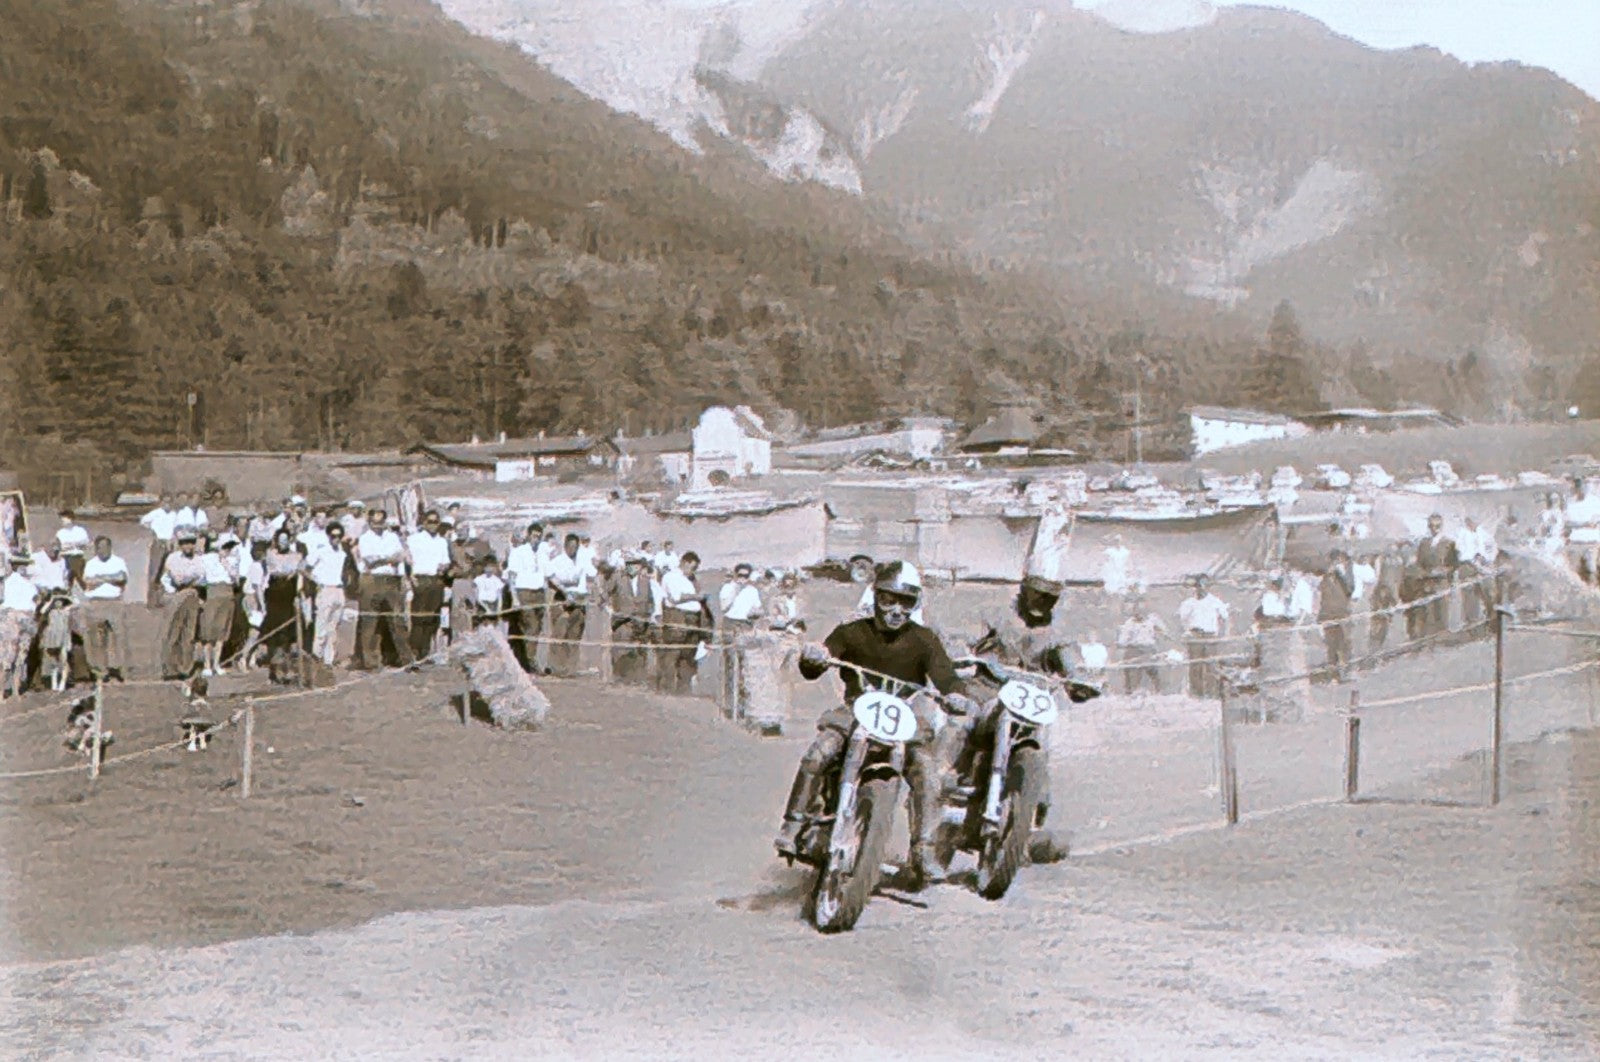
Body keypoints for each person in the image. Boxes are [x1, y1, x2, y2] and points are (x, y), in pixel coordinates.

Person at [774, 560, 976, 891]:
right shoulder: (852, 631)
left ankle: (924, 851)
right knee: (819, 752)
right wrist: (814, 654)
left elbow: (945, 676)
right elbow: (819, 662)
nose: (896, 610)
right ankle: (793, 825)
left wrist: (956, 695)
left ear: (915, 605)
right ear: (876, 596)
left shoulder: (924, 640)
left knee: (927, 771)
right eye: (888, 600)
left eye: (905, 602)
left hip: (904, 719)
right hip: (855, 710)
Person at [353, 509, 414, 669]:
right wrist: (389, 558)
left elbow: (401, 556)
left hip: (392, 579)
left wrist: (390, 561)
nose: (377, 526)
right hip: (372, 579)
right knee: (370, 622)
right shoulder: (365, 538)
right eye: (374, 523)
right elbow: (371, 560)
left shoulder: (392, 537)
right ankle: (370, 662)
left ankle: (405, 659)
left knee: (397, 621)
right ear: (370, 522)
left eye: (380, 523)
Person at [656, 550, 709, 695]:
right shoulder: (671, 576)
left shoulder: (691, 580)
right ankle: (668, 689)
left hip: (693, 619)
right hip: (677, 616)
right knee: (673, 653)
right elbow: (676, 597)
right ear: (685, 563)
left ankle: (684, 689)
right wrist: (696, 596)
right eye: (692, 567)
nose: (693, 571)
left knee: (689, 654)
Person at [158, 530, 207, 679]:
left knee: (189, 633)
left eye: (191, 542)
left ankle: (185, 667)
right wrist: (191, 579)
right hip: (175, 595)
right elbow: (179, 579)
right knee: (173, 632)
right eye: (185, 543)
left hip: (192, 595)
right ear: (180, 544)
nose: (189, 546)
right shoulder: (173, 558)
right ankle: (169, 667)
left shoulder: (198, 559)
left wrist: (191, 580)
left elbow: (202, 578)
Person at [80, 536, 129, 681]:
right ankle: (99, 671)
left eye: (106, 547)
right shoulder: (91, 564)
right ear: (96, 549)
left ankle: (118, 668)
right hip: (96, 603)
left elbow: (122, 577)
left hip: (114, 602)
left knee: (118, 637)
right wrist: (109, 578)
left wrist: (101, 578)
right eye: (100, 547)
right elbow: (89, 581)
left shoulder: (118, 561)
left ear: (110, 547)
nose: (103, 550)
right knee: (96, 638)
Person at [405, 509, 451, 660]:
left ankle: (425, 653)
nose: (433, 525)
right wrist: (411, 579)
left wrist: (444, 567)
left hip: (436, 580)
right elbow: (407, 560)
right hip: (421, 579)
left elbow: (446, 561)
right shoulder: (414, 539)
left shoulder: (442, 541)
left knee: (433, 619)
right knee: (419, 618)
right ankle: (414, 654)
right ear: (424, 523)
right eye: (430, 522)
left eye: (435, 522)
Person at [544, 532, 592, 677]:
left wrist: (581, 595)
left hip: (578, 601)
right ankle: (556, 666)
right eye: (570, 547)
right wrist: (565, 592)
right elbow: (551, 579)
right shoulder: (558, 561)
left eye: (576, 547)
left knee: (574, 635)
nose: (573, 550)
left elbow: (585, 580)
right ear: (565, 546)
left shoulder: (582, 562)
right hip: (562, 600)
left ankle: (571, 667)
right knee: (560, 633)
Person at [1177, 575, 1231, 698]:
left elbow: (1225, 617)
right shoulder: (1188, 603)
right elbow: (1183, 619)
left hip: (1210, 635)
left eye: (1203, 586)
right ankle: (1197, 693)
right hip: (1195, 635)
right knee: (1195, 666)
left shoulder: (1214, 601)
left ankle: (1212, 693)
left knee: (1211, 665)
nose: (1200, 589)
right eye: (1198, 586)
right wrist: (1188, 632)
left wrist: (1225, 634)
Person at [505, 522, 548, 673]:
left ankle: (527, 660)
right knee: (531, 626)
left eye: (539, 537)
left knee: (536, 628)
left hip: (539, 593)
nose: (537, 539)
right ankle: (530, 662)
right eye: (534, 536)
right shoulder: (519, 552)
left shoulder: (542, 553)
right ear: (529, 536)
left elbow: (547, 574)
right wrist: (515, 598)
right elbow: (512, 576)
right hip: (524, 593)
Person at [307, 522, 352, 666]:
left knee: (333, 628)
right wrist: (316, 581)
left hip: (339, 590)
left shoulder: (342, 553)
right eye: (333, 536)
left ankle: (328, 660)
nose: (336, 539)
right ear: (328, 536)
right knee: (321, 627)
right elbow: (305, 567)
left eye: (339, 536)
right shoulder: (321, 550)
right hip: (325, 589)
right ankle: (316, 656)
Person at [609, 552, 655, 684]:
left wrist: (648, 615)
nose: (632, 567)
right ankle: (620, 677)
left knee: (640, 652)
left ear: (640, 566)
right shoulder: (618, 578)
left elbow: (651, 600)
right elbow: (605, 594)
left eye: (635, 564)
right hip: (622, 621)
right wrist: (612, 609)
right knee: (622, 650)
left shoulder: (646, 581)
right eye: (629, 564)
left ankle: (638, 678)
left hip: (641, 621)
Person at [197, 538, 240, 677]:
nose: (228, 550)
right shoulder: (207, 559)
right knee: (209, 631)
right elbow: (200, 577)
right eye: (225, 547)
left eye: (229, 548)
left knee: (222, 632)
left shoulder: (232, 560)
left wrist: (226, 563)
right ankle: (207, 665)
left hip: (227, 593)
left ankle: (216, 664)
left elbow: (235, 579)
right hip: (213, 592)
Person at [0, 554, 40, 698]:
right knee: (7, 658)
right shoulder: (7, 580)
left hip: (26, 617)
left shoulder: (31, 584)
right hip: (11, 617)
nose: (23, 567)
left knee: (20, 658)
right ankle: (2, 692)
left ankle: (16, 691)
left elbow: (36, 600)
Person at [1415, 514, 1458, 637]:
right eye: (1431, 526)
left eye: (1437, 526)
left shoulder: (1449, 543)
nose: (1434, 529)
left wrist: (1443, 571)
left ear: (1442, 526)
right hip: (1427, 584)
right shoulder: (1423, 543)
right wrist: (1424, 574)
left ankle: (1442, 639)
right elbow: (1419, 564)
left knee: (1442, 612)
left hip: (1442, 583)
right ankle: (1429, 641)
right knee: (1428, 614)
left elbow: (1454, 564)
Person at [1116, 596, 1168, 695]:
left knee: (1153, 665)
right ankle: (1131, 690)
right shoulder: (1129, 623)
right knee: (1129, 659)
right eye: (1137, 610)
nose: (1139, 612)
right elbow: (1122, 641)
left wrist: (1159, 632)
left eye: (1142, 609)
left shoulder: (1152, 619)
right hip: (1134, 649)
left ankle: (1158, 690)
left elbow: (1164, 631)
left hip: (1149, 649)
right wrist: (1130, 639)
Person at [1318, 549, 1356, 681]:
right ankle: (1334, 675)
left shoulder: (1341, 578)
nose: (1336, 565)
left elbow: (1350, 590)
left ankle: (1345, 672)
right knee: (1332, 647)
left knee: (1344, 644)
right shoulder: (1322, 580)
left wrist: (1348, 570)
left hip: (1342, 615)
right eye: (1335, 562)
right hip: (1328, 616)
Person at [140, 494, 179, 604]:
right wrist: (153, 531)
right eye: (165, 502)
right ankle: (151, 599)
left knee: (165, 572)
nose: (167, 505)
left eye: (169, 502)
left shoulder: (174, 515)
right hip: (159, 542)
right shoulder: (156, 513)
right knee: (154, 571)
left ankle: (161, 598)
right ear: (161, 503)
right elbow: (143, 521)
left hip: (169, 543)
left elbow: (176, 529)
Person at [1565, 478, 1600, 585]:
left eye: (1584, 486)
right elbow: (1567, 523)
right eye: (1579, 487)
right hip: (1575, 541)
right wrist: (1583, 524)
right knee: (1573, 573)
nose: (1582, 489)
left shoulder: (1595, 502)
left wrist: (1593, 522)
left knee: (1591, 570)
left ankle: (1593, 596)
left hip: (1591, 541)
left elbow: (1596, 520)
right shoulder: (1570, 503)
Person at [54, 510, 91, 587]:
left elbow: (85, 544)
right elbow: (61, 547)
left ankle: (81, 586)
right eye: (61, 519)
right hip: (65, 557)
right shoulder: (60, 533)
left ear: (70, 519)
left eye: (64, 519)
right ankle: (74, 586)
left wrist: (71, 544)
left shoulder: (80, 531)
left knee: (75, 569)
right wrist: (76, 544)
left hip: (77, 557)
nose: (62, 521)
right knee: (68, 573)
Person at [472, 556, 509, 633]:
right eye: (487, 567)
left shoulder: (497, 581)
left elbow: (500, 596)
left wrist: (499, 608)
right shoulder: (479, 579)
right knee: (484, 629)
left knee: (494, 628)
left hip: (494, 606)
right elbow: (476, 594)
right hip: (482, 606)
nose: (490, 569)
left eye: (492, 567)